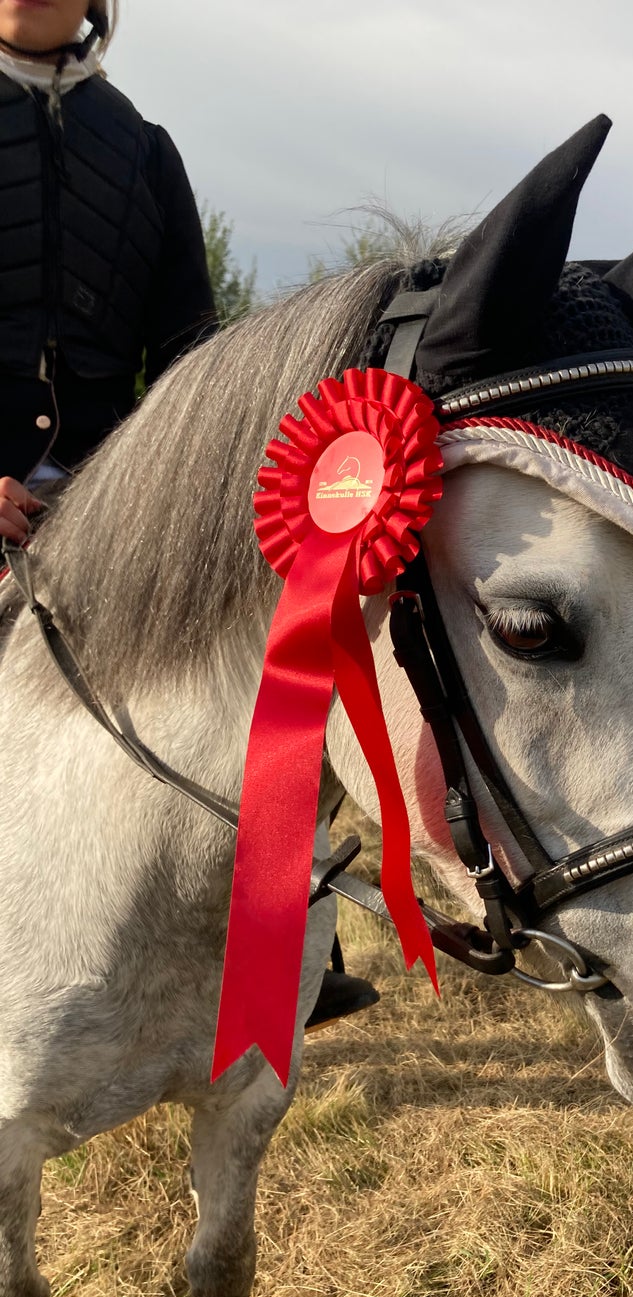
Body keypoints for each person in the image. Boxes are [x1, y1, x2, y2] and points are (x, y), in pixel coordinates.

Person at [0, 0, 375, 1026]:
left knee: (249, 671)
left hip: (108, 496)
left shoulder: (146, 151)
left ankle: (294, 940)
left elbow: (187, 357)